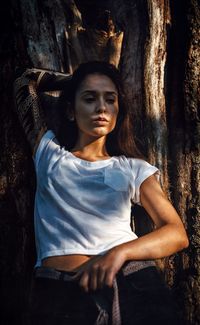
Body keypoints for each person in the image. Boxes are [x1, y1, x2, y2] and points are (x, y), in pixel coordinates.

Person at [14, 61, 189, 325]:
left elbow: (176, 233)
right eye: (89, 98)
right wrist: (76, 82)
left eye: (110, 99)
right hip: (62, 295)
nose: (101, 108)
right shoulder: (48, 154)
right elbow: (24, 80)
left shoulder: (133, 168)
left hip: (133, 283)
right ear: (71, 111)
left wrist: (118, 254)